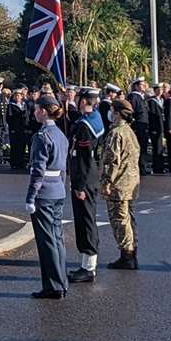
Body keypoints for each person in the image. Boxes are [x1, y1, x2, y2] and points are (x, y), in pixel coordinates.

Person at [24, 97, 71, 300]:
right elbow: (63, 169)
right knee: (58, 238)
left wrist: (30, 197)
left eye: (36, 110)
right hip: (58, 191)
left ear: (44, 111)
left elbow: (38, 170)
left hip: (44, 193)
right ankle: (61, 281)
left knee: (47, 241)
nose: (34, 113)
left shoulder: (42, 136)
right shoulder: (60, 134)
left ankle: (53, 286)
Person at [66, 90, 104, 283]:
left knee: (85, 221)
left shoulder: (85, 126)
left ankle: (88, 267)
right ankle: (86, 264)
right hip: (89, 176)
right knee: (85, 219)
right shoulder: (94, 118)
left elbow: (82, 159)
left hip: (84, 179)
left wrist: (78, 185)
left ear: (83, 101)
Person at [100, 99, 142, 269]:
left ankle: (127, 255)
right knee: (129, 219)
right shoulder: (129, 131)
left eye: (112, 110)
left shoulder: (116, 132)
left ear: (117, 113)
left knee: (120, 220)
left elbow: (112, 160)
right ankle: (131, 252)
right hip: (131, 182)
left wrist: (107, 181)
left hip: (119, 184)